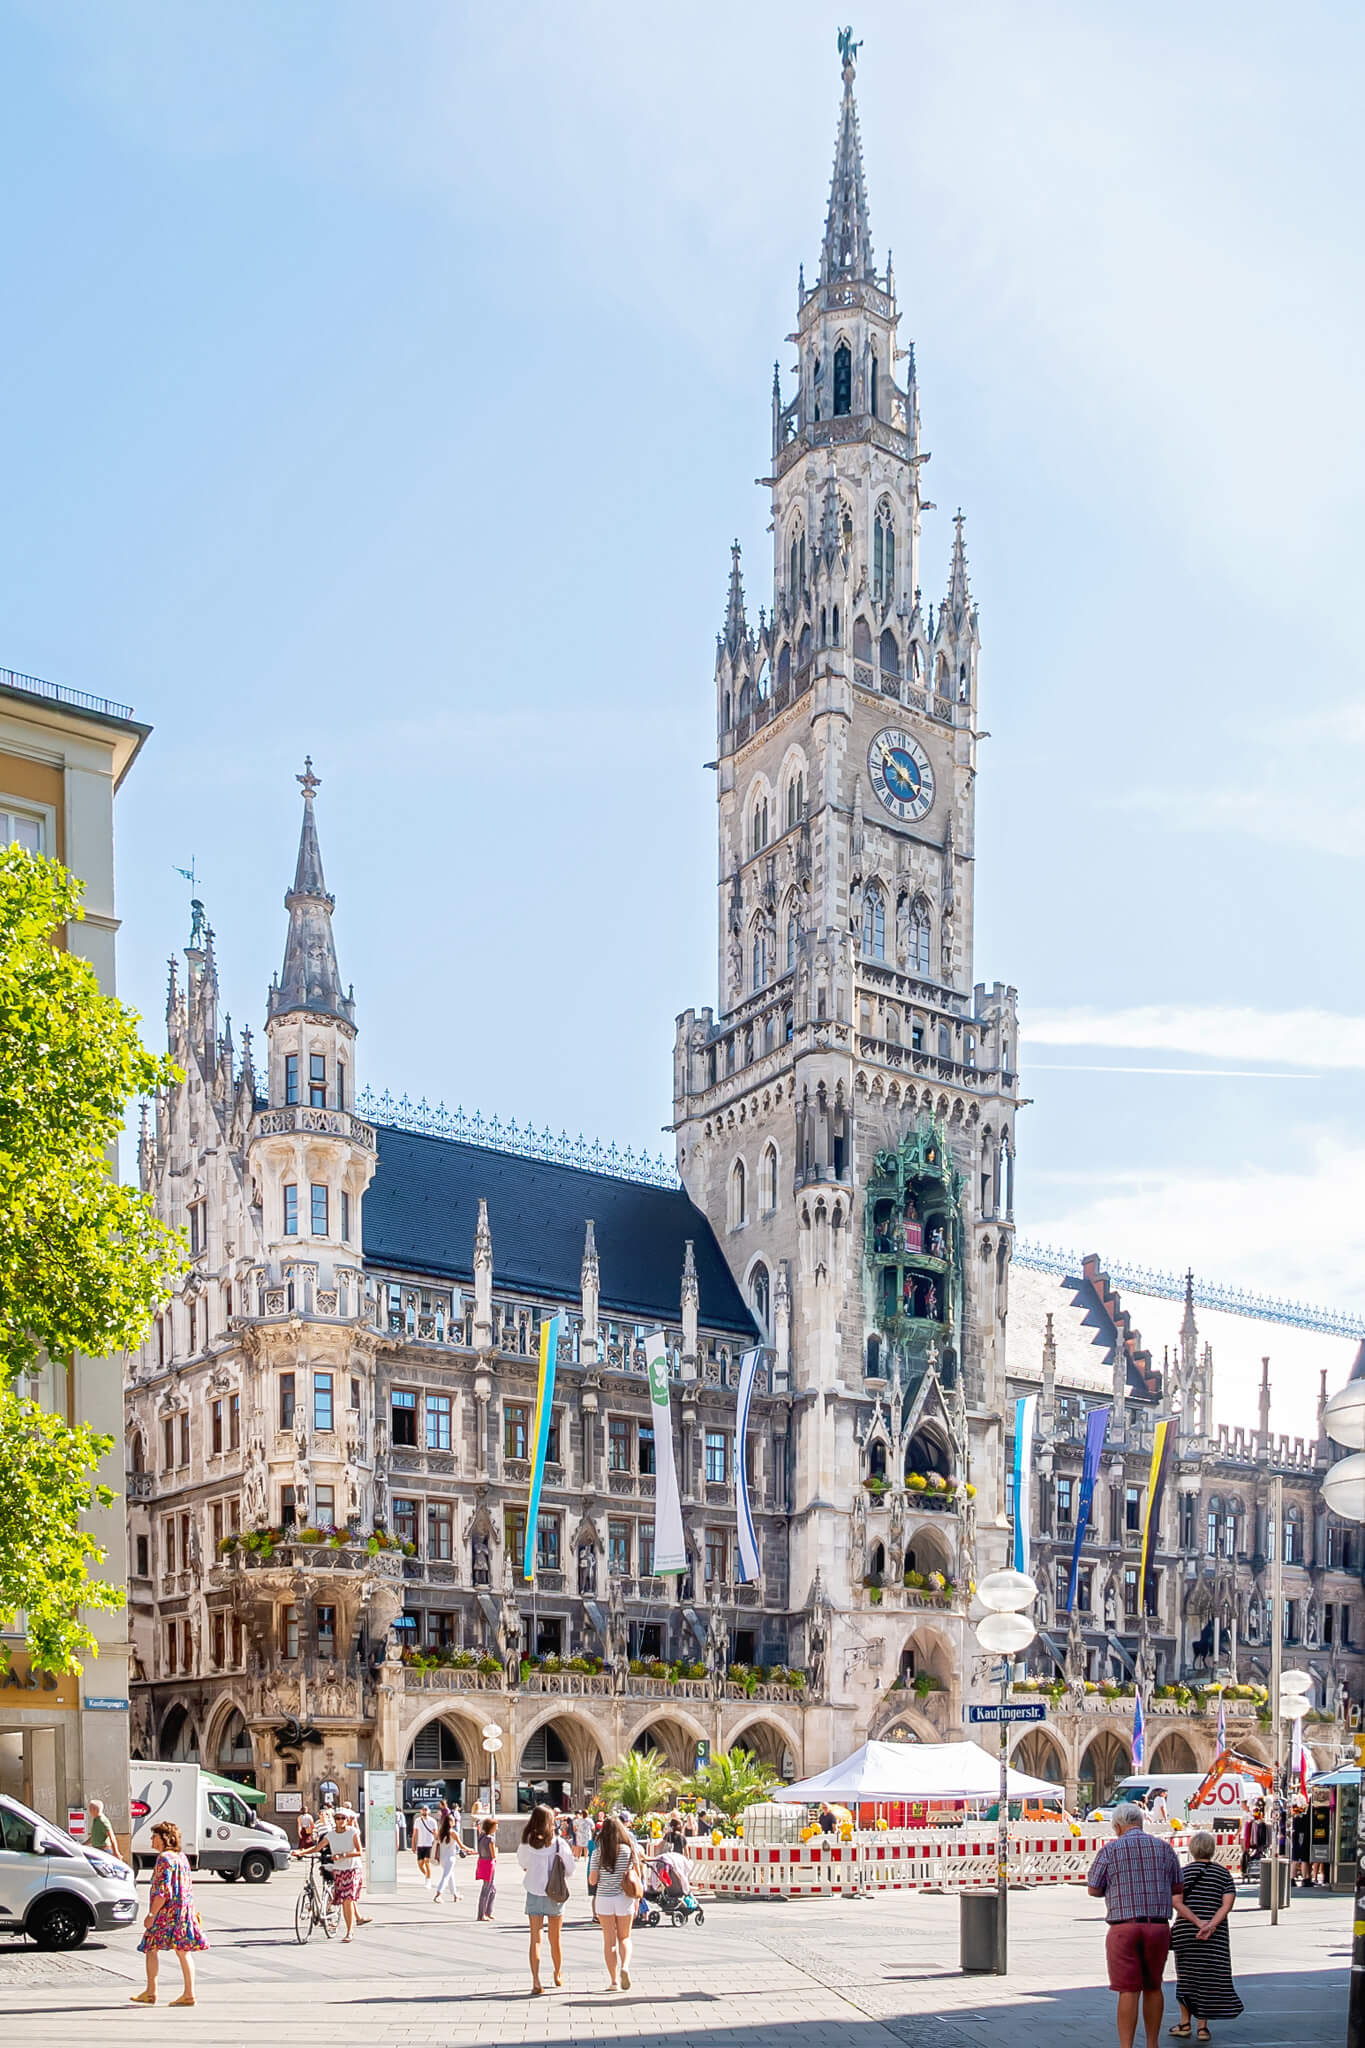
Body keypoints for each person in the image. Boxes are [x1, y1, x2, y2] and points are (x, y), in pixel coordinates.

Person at [1087, 1802, 1188, 2048]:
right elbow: (1178, 1886)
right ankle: (1152, 2044)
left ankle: (1126, 2046)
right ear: (1141, 1822)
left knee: (1128, 1990)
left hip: (1124, 1928)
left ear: (1118, 1826)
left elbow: (1093, 1889)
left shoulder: (1110, 1851)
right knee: (1153, 1986)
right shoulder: (1164, 1848)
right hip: (1157, 1927)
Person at [1169, 1830, 1243, 2042]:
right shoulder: (1223, 1874)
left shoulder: (1183, 1873)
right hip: (1215, 1936)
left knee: (1187, 1978)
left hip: (1187, 1932)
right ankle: (1203, 2027)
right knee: (1207, 1978)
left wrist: (1197, 1922)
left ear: (1192, 1850)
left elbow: (1176, 1902)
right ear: (1212, 1850)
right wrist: (1211, 1925)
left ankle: (1184, 2023)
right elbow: (1227, 1904)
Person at [130, 1821, 207, 2007]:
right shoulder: (181, 1857)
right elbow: (186, 1886)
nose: (151, 1839)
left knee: (150, 1947)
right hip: (184, 1911)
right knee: (183, 1951)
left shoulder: (164, 1859)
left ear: (164, 1838)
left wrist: (151, 1914)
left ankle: (151, 1991)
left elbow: (163, 1891)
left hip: (167, 1913)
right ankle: (189, 1993)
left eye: (154, 1836)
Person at [517, 1803, 573, 1995]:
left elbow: (522, 1863)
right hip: (554, 1894)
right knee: (555, 1938)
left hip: (533, 1892)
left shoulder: (526, 1843)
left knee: (535, 1939)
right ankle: (557, 1973)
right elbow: (571, 1869)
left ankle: (535, 1981)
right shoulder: (559, 1843)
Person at [298, 1803, 369, 1942]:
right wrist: (301, 1852)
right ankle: (354, 1921)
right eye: (338, 1818)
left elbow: (359, 1852)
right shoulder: (330, 1835)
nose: (340, 1820)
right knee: (344, 1900)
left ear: (347, 1819)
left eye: (343, 1818)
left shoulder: (353, 1832)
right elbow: (317, 1848)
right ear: (334, 1820)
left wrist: (343, 1855)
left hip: (353, 1869)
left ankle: (349, 1932)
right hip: (339, 1870)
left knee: (348, 1899)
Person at [594, 1813, 642, 1992]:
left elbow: (592, 1880)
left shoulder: (599, 1851)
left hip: (604, 1899)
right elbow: (638, 1873)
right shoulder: (629, 1849)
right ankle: (625, 1967)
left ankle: (613, 1981)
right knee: (625, 1937)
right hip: (624, 1898)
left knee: (609, 1941)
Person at [432, 1806, 468, 1904]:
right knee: (446, 1876)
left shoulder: (441, 1832)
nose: (455, 1821)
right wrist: (470, 1849)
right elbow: (461, 1845)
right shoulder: (453, 1833)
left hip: (442, 1858)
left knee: (450, 1876)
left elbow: (436, 1841)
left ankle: (455, 1895)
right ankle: (438, 1894)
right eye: (453, 1820)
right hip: (450, 1858)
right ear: (451, 1822)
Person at [1239, 1800, 1268, 1881]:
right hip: (1244, 1835)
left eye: (1243, 1805)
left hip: (1247, 1836)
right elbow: (1241, 1825)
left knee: (1246, 1853)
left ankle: (1245, 1871)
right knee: (1244, 1854)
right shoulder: (1246, 1814)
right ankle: (1243, 1871)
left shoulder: (1251, 1814)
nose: (1242, 1806)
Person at [475, 1819, 498, 1921]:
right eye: (495, 1826)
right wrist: (497, 1851)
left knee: (492, 1889)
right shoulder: (490, 1839)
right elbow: (493, 1855)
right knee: (487, 1889)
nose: (497, 1828)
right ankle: (481, 1914)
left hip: (482, 1862)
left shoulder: (481, 1837)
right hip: (489, 1863)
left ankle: (488, 1912)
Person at [412, 1805, 436, 1883]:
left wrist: (437, 1844)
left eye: (426, 1810)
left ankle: (428, 1880)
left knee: (426, 1861)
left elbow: (436, 1833)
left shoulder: (433, 1821)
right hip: (420, 1844)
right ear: (421, 1811)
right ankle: (427, 1875)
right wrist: (413, 1845)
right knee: (420, 1864)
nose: (424, 1811)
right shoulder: (417, 1821)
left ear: (428, 1811)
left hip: (429, 1844)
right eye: (423, 1810)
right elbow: (414, 1834)